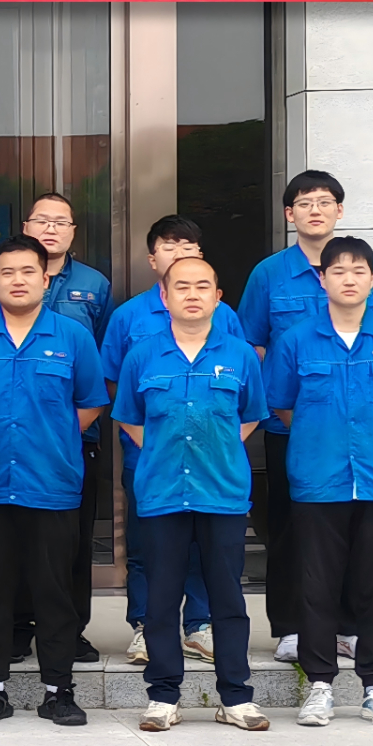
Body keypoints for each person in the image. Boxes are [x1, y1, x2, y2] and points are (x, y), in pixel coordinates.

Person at [239, 171, 373, 664]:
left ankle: (349, 627)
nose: (315, 210)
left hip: (361, 436)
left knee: (357, 533)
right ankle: (291, 627)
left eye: (325, 201)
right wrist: (303, 420)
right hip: (288, 425)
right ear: (289, 214)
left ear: (340, 211)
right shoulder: (269, 273)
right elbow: (253, 343)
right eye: (305, 202)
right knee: (289, 528)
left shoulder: (367, 269)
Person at [265, 236, 373, 729]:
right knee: (316, 584)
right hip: (319, 479)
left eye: (359, 271)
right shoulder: (296, 340)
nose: (349, 279)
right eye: (338, 271)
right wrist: (324, 435)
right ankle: (319, 684)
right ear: (323, 279)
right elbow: (282, 405)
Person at [0, 236, 108, 729]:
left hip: (52, 483)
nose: (17, 280)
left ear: (45, 278)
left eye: (27, 271)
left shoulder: (73, 336)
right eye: (7, 272)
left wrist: (49, 436)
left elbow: (90, 402)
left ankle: (59, 691)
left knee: (54, 590)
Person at [112, 256, 269, 732]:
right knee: (161, 599)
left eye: (203, 286)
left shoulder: (240, 355)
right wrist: (165, 449)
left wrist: (215, 450)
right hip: (161, 492)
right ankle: (163, 696)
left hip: (222, 492)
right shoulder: (143, 355)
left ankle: (235, 697)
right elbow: (129, 417)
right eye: (182, 286)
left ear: (218, 297)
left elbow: (251, 414)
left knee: (227, 598)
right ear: (165, 297)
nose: (193, 294)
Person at [100, 217, 246, 664]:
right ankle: (147, 625)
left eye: (189, 245)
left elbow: (245, 398)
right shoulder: (128, 316)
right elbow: (117, 387)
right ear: (153, 259)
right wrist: (157, 441)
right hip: (149, 457)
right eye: (169, 245)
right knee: (144, 547)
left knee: (205, 548)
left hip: (213, 464)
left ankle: (199, 625)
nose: (180, 252)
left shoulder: (226, 318)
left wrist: (216, 442)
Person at [0, 191, 110, 663]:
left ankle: (69, 633)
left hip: (70, 446)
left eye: (61, 222)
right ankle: (16, 629)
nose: (51, 228)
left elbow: (97, 375)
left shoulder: (94, 285)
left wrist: (54, 429)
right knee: (8, 553)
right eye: (42, 220)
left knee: (68, 549)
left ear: (73, 231)